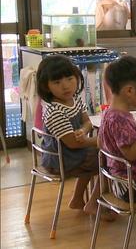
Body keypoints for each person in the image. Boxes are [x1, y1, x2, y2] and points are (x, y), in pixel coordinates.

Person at [36, 55, 107, 220]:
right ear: (46, 87)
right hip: (61, 159)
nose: (66, 86)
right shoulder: (55, 111)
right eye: (57, 82)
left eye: (69, 78)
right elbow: (73, 144)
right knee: (108, 159)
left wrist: (83, 130)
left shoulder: (73, 99)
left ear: (77, 77)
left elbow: (87, 122)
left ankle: (77, 199)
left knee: (100, 154)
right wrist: (100, 142)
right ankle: (94, 202)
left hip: (73, 154)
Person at [98, 56, 136, 241]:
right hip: (134, 186)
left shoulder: (109, 113)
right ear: (130, 91)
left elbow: (100, 143)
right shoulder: (121, 119)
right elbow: (131, 153)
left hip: (118, 182)